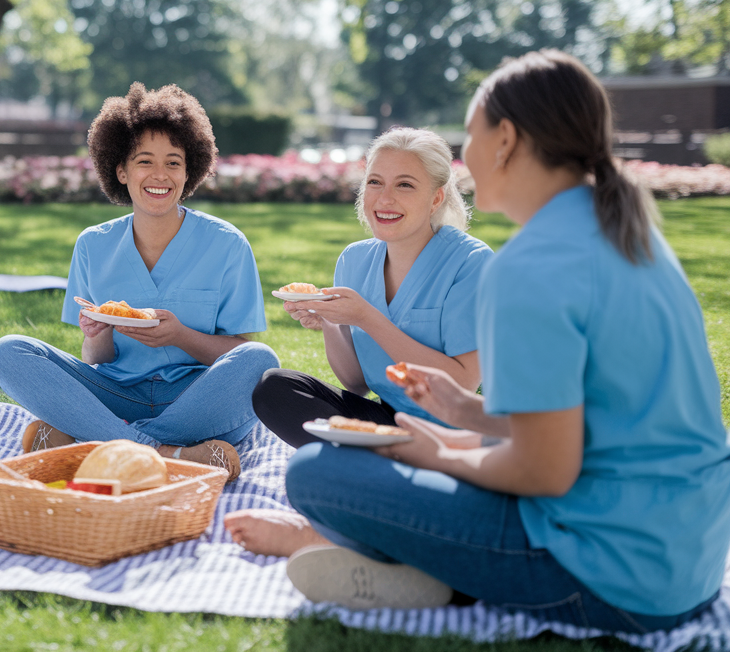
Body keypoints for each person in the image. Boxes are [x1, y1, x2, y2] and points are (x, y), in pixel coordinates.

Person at [273, 51, 730, 631]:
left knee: (315, 472)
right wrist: (468, 414)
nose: (465, 159)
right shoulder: (630, 237)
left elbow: (543, 473)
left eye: (469, 137)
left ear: (506, 140)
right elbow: (595, 422)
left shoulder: (529, 266)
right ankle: (427, 574)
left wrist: (430, 451)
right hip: (686, 564)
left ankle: (426, 572)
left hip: (609, 576)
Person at [0, 83, 279, 479]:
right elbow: (97, 361)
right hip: (115, 395)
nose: (160, 175)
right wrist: (97, 333)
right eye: (145, 161)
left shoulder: (227, 244)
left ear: (189, 170)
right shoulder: (93, 244)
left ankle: (94, 444)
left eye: (173, 162)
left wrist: (179, 336)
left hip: (195, 399)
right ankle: (165, 454)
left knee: (261, 362)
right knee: (8, 351)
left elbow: (236, 355)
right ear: (121, 170)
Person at [225, 128, 492, 553]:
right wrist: (332, 319)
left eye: (405, 185)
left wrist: (367, 317)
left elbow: (460, 385)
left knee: (320, 457)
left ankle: (378, 485)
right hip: (384, 424)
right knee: (274, 388)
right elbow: (354, 382)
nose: (384, 199)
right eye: (375, 182)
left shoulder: (472, 264)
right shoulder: (354, 259)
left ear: (437, 198)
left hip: (448, 434)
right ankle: (386, 479)